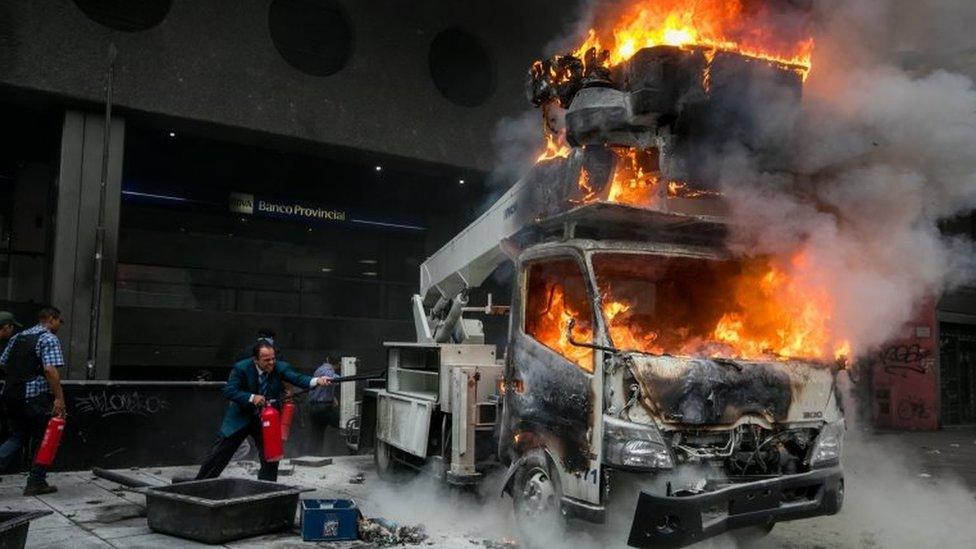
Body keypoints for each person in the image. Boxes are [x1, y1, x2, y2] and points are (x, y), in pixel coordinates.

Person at [195, 342, 331, 482]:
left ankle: (267, 488)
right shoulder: (242, 368)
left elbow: (297, 378)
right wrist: (252, 397)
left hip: (266, 419)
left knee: (271, 456)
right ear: (256, 359)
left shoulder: (280, 367)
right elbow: (229, 390)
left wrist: (317, 380)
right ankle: (200, 484)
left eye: (273, 358)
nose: (271, 362)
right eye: (267, 360)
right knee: (219, 454)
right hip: (241, 416)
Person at [0, 306, 66, 496]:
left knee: (17, 437)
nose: (58, 326)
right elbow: (50, 370)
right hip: (33, 397)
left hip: (11, 394)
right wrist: (59, 398)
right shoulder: (48, 338)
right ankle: (36, 481)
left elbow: (3, 362)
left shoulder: (17, 337)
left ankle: (36, 481)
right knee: (45, 437)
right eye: (58, 321)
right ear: (52, 319)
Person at [309, 357, 340, 450]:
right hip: (323, 407)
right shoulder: (328, 371)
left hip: (315, 406)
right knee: (344, 424)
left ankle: (315, 455)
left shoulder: (320, 369)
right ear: (339, 364)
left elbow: (321, 389)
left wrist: (332, 397)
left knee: (317, 434)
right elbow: (334, 379)